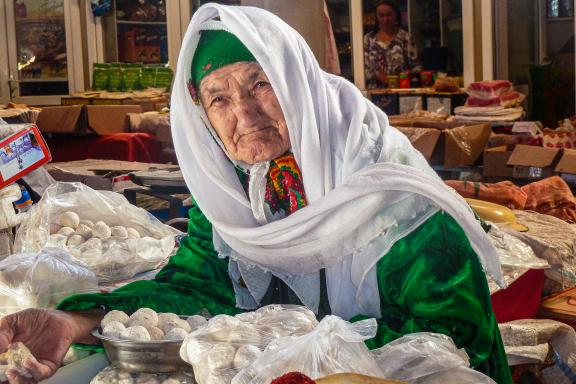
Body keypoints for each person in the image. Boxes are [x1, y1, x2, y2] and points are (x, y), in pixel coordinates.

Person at [0, 4, 511, 384]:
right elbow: (195, 288)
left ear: (298, 82)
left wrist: (278, 349)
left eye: (260, 84)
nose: (243, 116)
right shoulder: (238, 193)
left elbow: (449, 345)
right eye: (219, 98)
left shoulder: (396, 201)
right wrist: (75, 320)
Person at [364, 0, 422, 88]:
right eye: (381, 15)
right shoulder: (368, 39)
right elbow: (362, 70)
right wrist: (377, 75)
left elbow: (417, 67)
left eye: (389, 15)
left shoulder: (406, 37)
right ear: (376, 17)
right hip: (375, 92)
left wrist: (406, 75)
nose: (385, 19)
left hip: (401, 90)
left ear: (396, 15)